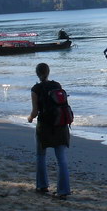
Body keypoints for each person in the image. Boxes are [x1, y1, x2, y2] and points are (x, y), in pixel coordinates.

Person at [27, 62, 70, 198]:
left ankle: (42, 185)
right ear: (49, 72)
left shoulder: (36, 89)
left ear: (37, 73)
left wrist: (29, 118)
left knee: (41, 156)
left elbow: (35, 112)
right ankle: (63, 190)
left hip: (45, 126)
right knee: (61, 159)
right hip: (60, 126)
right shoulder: (57, 86)